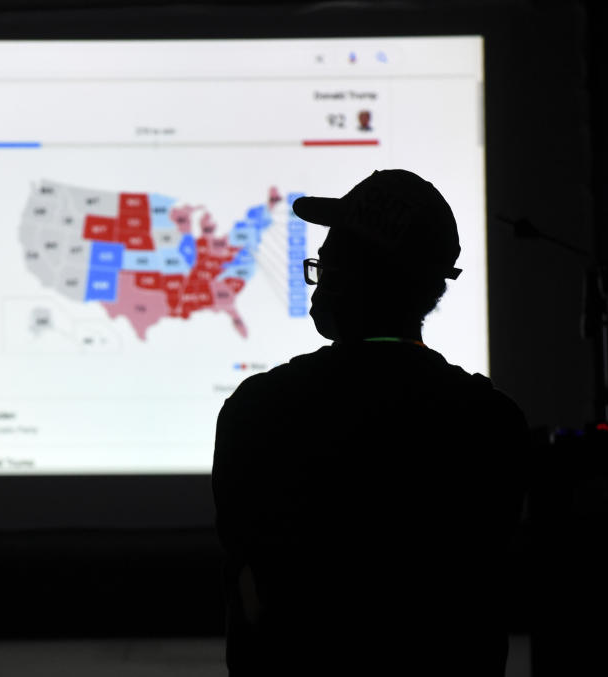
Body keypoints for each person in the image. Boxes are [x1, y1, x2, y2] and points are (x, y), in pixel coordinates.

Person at [212, 170, 529, 676]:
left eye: (325, 266)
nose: (319, 281)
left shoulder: (260, 411)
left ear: (342, 278)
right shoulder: (490, 421)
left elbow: (246, 586)